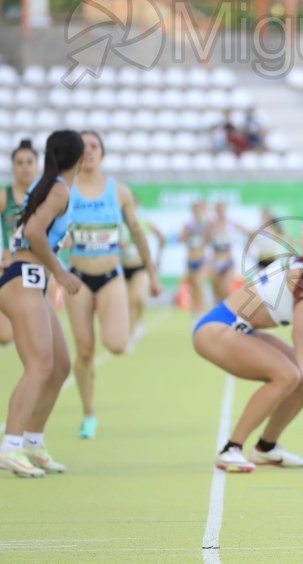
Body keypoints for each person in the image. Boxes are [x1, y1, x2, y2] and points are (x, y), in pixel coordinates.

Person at [192, 227, 303, 472]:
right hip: (218, 330)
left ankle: (266, 447)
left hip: (236, 328)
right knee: (288, 376)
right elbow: (300, 335)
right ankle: (231, 448)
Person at [65, 131, 162, 439]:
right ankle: (89, 413)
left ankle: (123, 336)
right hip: (77, 278)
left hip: (110, 277)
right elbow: (51, 231)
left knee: (117, 344)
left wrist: (152, 273)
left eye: (94, 146)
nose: (88, 151)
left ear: (102, 153)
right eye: (82, 147)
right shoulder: (65, 191)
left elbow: (137, 232)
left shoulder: (118, 191)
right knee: (84, 351)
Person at [0, 130, 84, 477]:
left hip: (31, 280)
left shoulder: (47, 184)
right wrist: (61, 272)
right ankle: (11, 445)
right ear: (79, 159)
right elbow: (34, 231)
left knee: (60, 366)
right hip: (23, 278)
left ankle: (33, 442)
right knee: (38, 366)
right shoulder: (59, 188)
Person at [0, 139, 40, 345]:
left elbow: (65, 238)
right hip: (9, 269)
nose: (25, 167)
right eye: (19, 162)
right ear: (13, 167)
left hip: (39, 271)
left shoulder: (48, 196)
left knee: (40, 336)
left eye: (29, 162)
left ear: (37, 165)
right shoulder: (4, 197)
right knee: (4, 336)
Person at [120, 194, 166, 351]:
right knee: (127, 303)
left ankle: (137, 324)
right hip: (122, 266)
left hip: (140, 266)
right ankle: (130, 335)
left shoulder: (143, 223)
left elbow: (161, 237)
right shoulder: (117, 224)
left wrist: (158, 259)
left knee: (138, 298)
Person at [207, 200, 249, 303]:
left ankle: (228, 312)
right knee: (216, 291)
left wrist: (248, 248)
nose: (220, 211)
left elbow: (248, 232)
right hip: (215, 260)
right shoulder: (211, 224)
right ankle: (218, 315)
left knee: (225, 289)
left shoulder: (231, 223)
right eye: (218, 209)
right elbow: (205, 240)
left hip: (228, 260)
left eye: (222, 209)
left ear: (225, 210)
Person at [179, 200, 210, 320]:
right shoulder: (188, 225)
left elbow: (210, 235)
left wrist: (207, 210)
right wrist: (186, 232)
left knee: (198, 283)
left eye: (199, 209)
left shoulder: (205, 224)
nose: (197, 212)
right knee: (192, 287)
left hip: (201, 259)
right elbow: (181, 240)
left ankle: (201, 310)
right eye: (194, 209)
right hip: (190, 259)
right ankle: (195, 311)